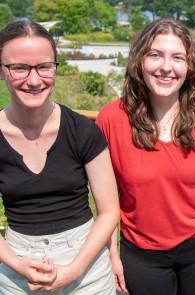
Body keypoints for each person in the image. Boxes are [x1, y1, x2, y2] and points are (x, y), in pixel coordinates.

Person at [96, 18, 195, 295]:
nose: (166, 67)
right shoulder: (111, 119)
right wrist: (111, 255)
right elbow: (107, 201)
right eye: (155, 55)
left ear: (189, 66)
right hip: (141, 254)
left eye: (177, 57)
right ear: (139, 61)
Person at [0, 20, 119, 294]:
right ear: (2, 71)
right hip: (17, 262)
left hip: (86, 265)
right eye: (19, 67)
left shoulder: (83, 131)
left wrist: (74, 270)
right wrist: (16, 265)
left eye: (44, 67)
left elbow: (110, 210)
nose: (33, 79)